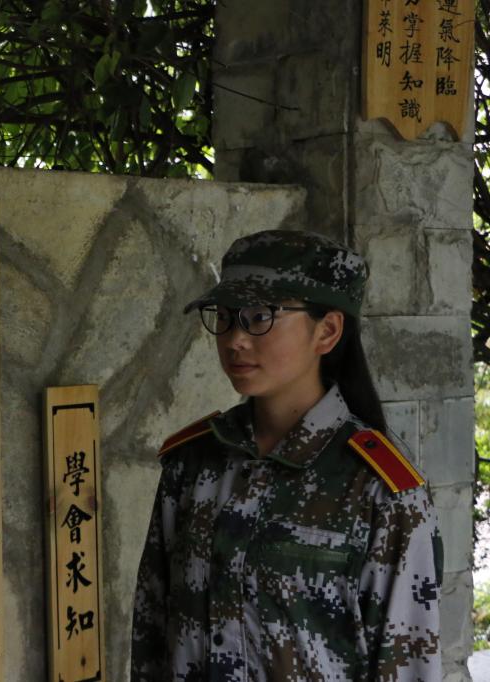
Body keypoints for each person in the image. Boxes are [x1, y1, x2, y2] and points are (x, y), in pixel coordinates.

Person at [130, 230, 442, 681]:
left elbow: (409, 665)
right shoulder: (192, 465)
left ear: (327, 331)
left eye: (260, 316)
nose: (235, 339)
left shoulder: (383, 493)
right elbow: (151, 635)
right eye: (225, 316)